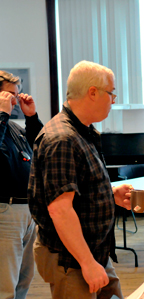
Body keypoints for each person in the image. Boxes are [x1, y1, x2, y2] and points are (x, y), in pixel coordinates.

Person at [28, 61, 133, 299]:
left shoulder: (82, 131)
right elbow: (60, 210)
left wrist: (110, 194)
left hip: (92, 252)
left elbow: (78, 189)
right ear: (93, 92)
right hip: (73, 260)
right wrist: (87, 263)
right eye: (111, 93)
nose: (113, 100)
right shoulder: (62, 139)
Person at [0, 71, 43, 299]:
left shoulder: (14, 127)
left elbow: (41, 146)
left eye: (17, 95)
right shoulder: (2, 123)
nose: (15, 101)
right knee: (5, 284)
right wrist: (2, 115)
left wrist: (32, 117)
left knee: (23, 280)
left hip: (27, 211)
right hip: (5, 212)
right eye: (9, 95)